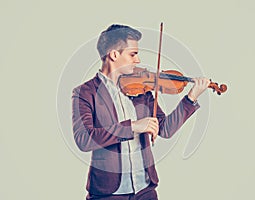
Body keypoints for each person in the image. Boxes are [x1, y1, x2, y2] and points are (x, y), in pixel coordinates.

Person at [72, 24, 210, 200]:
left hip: (145, 190)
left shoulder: (141, 89)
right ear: (114, 55)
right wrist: (133, 127)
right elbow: (84, 139)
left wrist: (191, 98)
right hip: (109, 193)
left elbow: (165, 129)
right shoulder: (85, 92)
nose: (137, 60)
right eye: (132, 54)